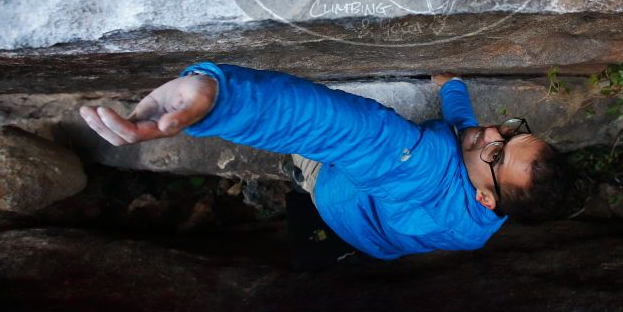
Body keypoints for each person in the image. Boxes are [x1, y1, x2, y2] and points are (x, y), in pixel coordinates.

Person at [79, 61, 572, 260]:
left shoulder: (417, 166)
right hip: (377, 240)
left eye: (499, 150)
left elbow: (339, 125)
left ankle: (302, 172)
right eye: (513, 131)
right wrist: (455, 90)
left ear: (485, 196)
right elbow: (472, 138)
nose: (495, 130)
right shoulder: (487, 221)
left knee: (319, 150)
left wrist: (218, 99)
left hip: (341, 199)